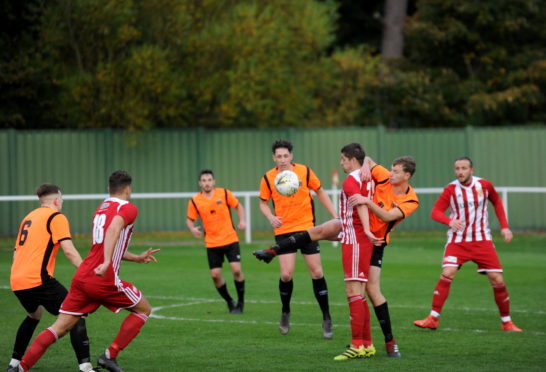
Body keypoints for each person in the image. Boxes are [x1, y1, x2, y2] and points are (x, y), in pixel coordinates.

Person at [254, 155, 419, 358]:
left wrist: (367, 201)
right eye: (391, 169)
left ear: (407, 175)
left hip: (374, 241)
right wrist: (366, 165)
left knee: (373, 291)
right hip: (355, 227)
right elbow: (366, 158)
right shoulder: (383, 175)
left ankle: (390, 342)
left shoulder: (411, 199)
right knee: (320, 230)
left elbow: (387, 216)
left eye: (396, 171)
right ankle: (273, 251)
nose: (391, 173)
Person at [16, 170, 160, 372]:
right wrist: (108, 261)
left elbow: (102, 244)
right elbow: (113, 230)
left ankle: (20, 368)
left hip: (83, 277)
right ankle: (110, 355)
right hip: (103, 279)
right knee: (144, 309)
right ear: (128, 189)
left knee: (59, 327)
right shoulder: (128, 208)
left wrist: (136, 257)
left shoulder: (101, 208)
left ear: (109, 189)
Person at [413, 157, 522, 332]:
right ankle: (433, 318)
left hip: (482, 240)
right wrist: (450, 221)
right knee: (447, 272)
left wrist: (505, 227)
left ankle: (507, 322)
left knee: (497, 279)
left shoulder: (484, 185)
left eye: (464, 168)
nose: (460, 172)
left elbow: (497, 202)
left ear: (472, 170)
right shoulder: (451, 189)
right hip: (458, 241)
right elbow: (435, 212)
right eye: (457, 168)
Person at [7, 184, 95, 372]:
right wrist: (88, 273)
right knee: (75, 315)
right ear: (56, 200)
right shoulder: (56, 217)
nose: (62, 202)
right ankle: (86, 368)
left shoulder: (28, 217)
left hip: (17, 280)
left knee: (34, 315)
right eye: (61, 198)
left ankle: (14, 364)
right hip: (38, 279)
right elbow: (70, 251)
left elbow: (16, 254)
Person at [259, 139, 338, 338]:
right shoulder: (269, 177)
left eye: (286, 155)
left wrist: (335, 216)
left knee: (317, 272)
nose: (283, 159)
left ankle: (326, 317)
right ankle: (285, 311)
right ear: (273, 158)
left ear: (291, 156)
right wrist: (270, 217)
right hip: (284, 230)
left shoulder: (304, 171)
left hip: (308, 229)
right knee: (286, 275)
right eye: (279, 156)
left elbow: (320, 191)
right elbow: (263, 203)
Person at [333, 143, 378, 360]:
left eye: (343, 159)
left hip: (355, 240)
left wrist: (367, 230)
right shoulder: (368, 175)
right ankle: (367, 344)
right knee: (359, 294)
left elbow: (360, 205)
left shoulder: (351, 180)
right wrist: (368, 161)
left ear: (352, 159)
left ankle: (356, 345)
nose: (341, 162)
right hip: (362, 240)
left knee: (353, 292)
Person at [186, 169, 246, 313]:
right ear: (200, 183)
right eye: (204, 181)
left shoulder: (224, 193)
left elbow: (238, 206)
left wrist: (242, 220)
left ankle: (241, 302)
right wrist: (192, 229)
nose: (207, 183)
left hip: (230, 239)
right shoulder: (195, 201)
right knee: (215, 275)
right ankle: (230, 301)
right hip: (212, 243)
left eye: (209, 180)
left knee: (237, 271)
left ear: (214, 182)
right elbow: (189, 219)